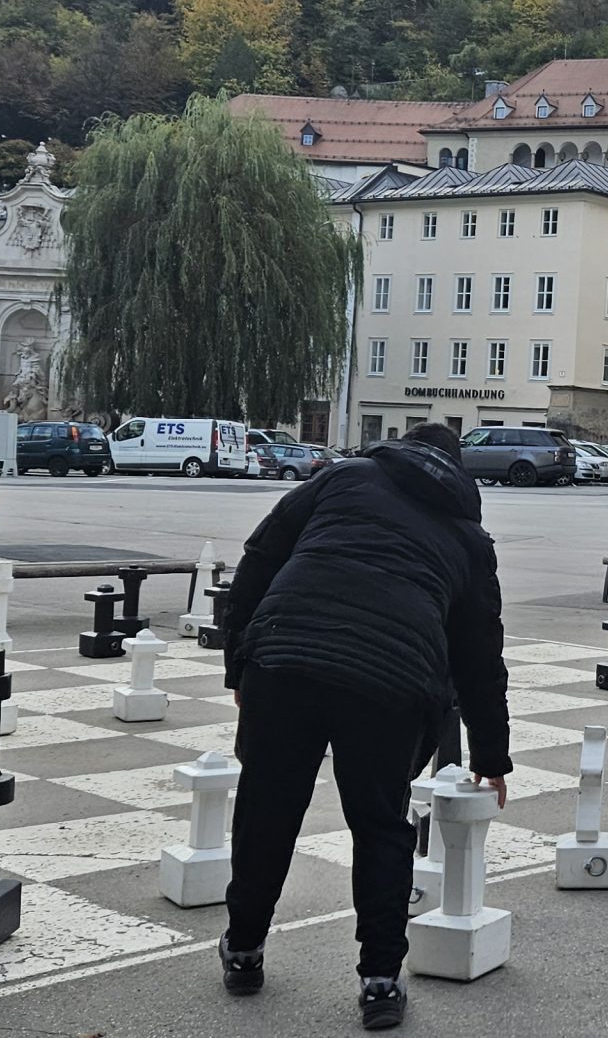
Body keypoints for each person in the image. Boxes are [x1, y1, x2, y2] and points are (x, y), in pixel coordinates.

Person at [216, 422, 510, 1031]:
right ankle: (380, 980)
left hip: (285, 659)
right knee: (380, 827)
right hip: (389, 682)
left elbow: (260, 558)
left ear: (399, 447)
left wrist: (239, 663)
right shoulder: (468, 537)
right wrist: (490, 754)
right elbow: (479, 656)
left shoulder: (342, 477)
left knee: (267, 807)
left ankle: (243, 949)